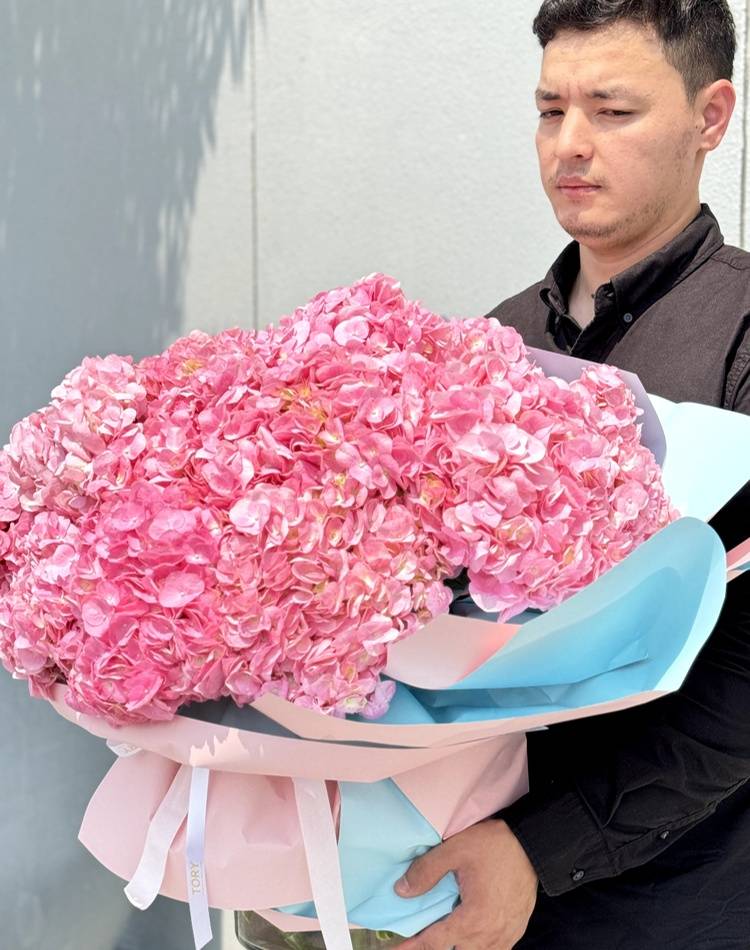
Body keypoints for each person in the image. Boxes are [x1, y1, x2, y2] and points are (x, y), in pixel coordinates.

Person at [394, 3, 750, 948]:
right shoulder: (493, 342)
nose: (570, 145)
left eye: (613, 110)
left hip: (681, 900)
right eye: (551, 110)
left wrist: (540, 850)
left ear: (711, 117)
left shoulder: (744, 339)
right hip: (469, 871)